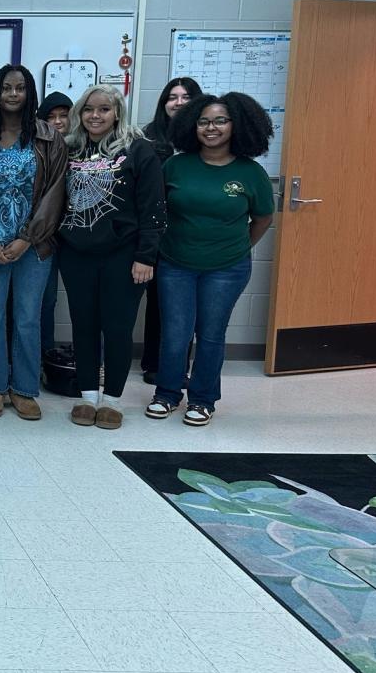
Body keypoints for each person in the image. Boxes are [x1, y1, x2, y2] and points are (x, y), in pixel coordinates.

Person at [147, 92, 274, 427]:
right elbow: (156, 211)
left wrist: (238, 247)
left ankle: (203, 400)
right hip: (175, 263)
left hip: (227, 269)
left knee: (211, 334)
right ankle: (166, 394)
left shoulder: (251, 173)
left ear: (237, 125)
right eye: (203, 121)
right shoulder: (176, 166)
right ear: (192, 126)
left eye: (220, 121)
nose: (211, 128)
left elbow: (263, 218)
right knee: (175, 333)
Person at [57, 85, 165, 430]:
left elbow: (153, 207)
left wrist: (146, 256)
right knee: (83, 326)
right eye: (89, 109)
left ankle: (113, 400)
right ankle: (88, 397)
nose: (95, 115)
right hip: (76, 254)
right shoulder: (69, 148)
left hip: (124, 255)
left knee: (117, 328)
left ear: (117, 112)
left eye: (104, 109)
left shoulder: (139, 149)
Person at [0, 65, 66, 421]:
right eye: (6, 88)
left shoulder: (49, 139)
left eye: (20, 88)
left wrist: (27, 237)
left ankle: (24, 388)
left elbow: (55, 194)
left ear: (29, 93)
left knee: (27, 318)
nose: (12, 94)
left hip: (34, 246)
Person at [139, 76, 202, 383]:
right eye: (172, 97)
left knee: (184, 307)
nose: (178, 102)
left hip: (189, 233)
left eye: (186, 97)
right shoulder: (149, 138)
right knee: (157, 303)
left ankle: (178, 367)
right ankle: (153, 364)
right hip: (154, 233)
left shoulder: (205, 138)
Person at [36, 91, 72, 354]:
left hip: (77, 238)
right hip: (44, 237)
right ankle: (43, 355)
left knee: (84, 301)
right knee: (44, 299)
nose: (58, 122)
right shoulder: (37, 149)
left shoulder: (83, 149)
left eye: (64, 116)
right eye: (51, 117)